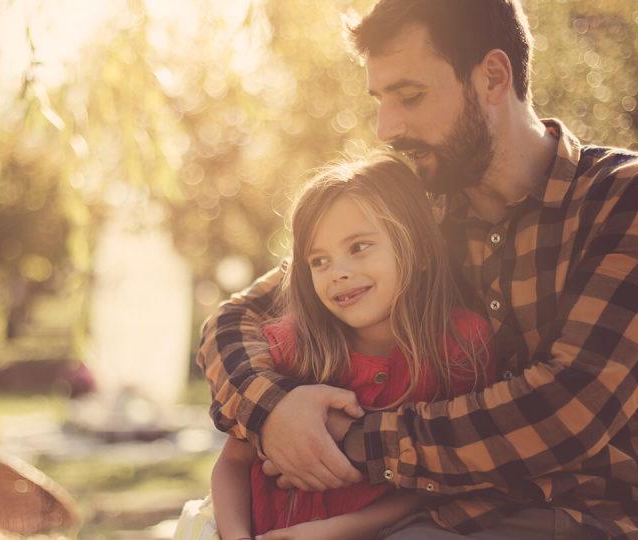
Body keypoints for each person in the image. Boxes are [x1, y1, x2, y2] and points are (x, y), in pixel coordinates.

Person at [198, 0, 638, 537]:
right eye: (380, 99)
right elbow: (234, 322)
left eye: (409, 96)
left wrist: (339, 438)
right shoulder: (415, 216)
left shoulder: (632, 196)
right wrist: (273, 412)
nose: (386, 127)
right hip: (447, 518)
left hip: (608, 518)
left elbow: (565, 411)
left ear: (492, 76)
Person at [205, 156, 498, 540]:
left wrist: (337, 531)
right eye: (320, 260)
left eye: (359, 247)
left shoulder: (458, 346)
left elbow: (443, 476)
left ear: (422, 250)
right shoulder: (290, 347)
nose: (338, 272)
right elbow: (233, 462)